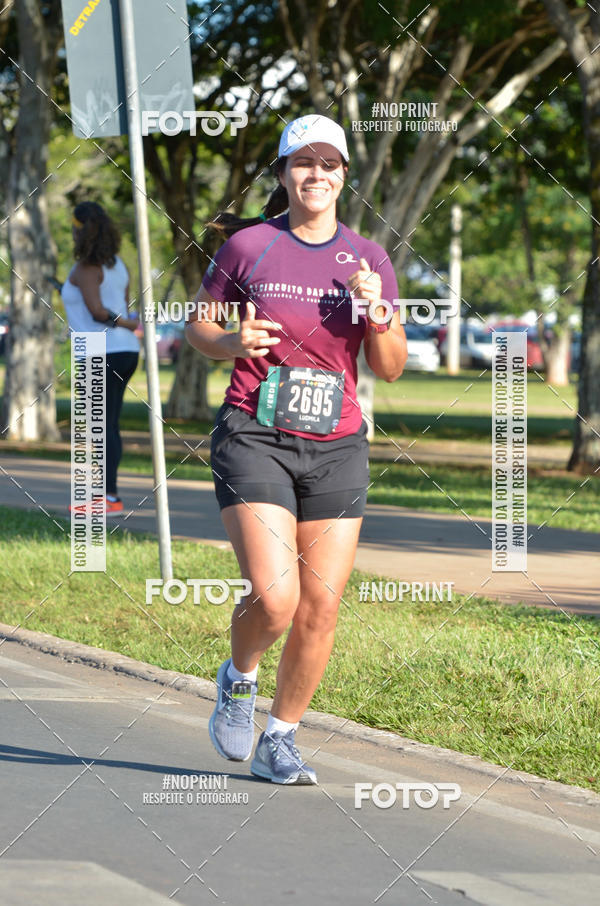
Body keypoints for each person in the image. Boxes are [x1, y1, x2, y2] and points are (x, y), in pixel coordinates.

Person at [186, 114, 407, 784]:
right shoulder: (249, 245)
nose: (317, 174)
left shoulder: (368, 259)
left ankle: (280, 738)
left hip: (337, 445)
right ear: (284, 174)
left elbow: (390, 367)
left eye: (329, 163)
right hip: (254, 432)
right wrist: (229, 344)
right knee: (276, 598)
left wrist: (380, 313)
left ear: (344, 176)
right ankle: (238, 677)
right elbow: (199, 323)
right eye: (303, 163)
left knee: (321, 606)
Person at [62, 201, 140, 515]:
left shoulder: (85, 268)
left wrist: (126, 322)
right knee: (109, 425)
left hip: (100, 351)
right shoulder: (118, 264)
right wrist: (128, 323)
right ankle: (107, 496)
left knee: (102, 426)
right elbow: (121, 303)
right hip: (124, 352)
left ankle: (107, 498)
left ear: (81, 229)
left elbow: (97, 312)